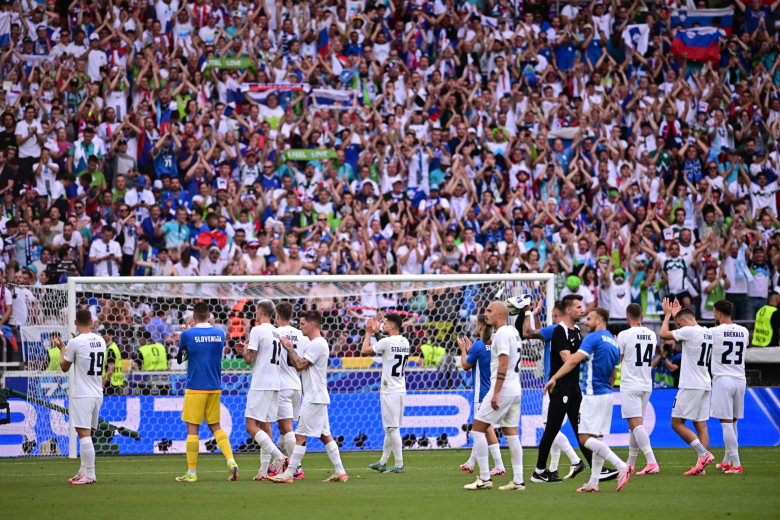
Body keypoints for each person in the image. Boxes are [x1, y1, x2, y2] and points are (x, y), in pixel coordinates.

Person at [544, 308, 631, 493]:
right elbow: (613, 374)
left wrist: (554, 378)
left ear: (600, 320)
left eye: (590, 318)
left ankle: (621, 465)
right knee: (597, 438)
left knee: (584, 439)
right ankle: (593, 482)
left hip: (593, 394)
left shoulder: (592, 337)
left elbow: (573, 360)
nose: (585, 321)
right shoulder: (614, 343)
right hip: (608, 395)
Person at [270, 310, 348, 483]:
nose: (300, 326)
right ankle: (340, 472)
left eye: (303, 323)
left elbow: (299, 365)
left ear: (312, 324)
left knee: (300, 436)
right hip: (317, 396)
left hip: (313, 397)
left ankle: (289, 474)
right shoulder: (315, 343)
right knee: (324, 435)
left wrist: (289, 348)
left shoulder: (317, 344)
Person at [463, 301, 524, 491]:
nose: (485, 314)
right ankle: (518, 480)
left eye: (489, 311)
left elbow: (503, 364)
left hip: (503, 389)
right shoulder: (513, 332)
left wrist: (496, 393)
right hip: (516, 389)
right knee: (511, 434)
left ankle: (483, 478)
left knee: (477, 430)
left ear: (499, 315)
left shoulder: (501, 334)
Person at [521, 298, 584, 481]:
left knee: (549, 427)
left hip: (555, 384)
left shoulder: (557, 330)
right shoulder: (562, 332)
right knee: (553, 426)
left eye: (551, 314)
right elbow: (542, 335)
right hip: (569, 385)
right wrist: (537, 317)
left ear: (556, 314)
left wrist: (527, 313)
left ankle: (574, 460)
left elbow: (527, 333)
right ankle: (553, 468)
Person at [174, 302, 238, 482]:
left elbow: (180, 359)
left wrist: (186, 333)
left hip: (195, 386)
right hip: (215, 386)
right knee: (216, 426)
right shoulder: (220, 333)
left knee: (192, 429)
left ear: (193, 316)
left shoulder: (188, 334)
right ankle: (231, 460)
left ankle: (192, 473)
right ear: (209, 316)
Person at [660, 298, 715, 476]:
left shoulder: (689, 331)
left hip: (691, 384)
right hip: (706, 383)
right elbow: (683, 332)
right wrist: (677, 316)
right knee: (701, 425)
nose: (678, 327)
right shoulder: (707, 332)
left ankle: (704, 454)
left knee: (676, 423)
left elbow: (664, 334)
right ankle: (701, 468)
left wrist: (668, 315)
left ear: (684, 322)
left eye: (678, 323)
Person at [235, 299, 288, 481]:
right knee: (266, 425)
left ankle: (280, 457)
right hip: (275, 383)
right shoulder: (276, 331)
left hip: (261, 382)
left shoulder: (257, 330)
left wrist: (243, 351)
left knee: (251, 426)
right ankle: (264, 471)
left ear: (258, 311)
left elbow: (249, 359)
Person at [54, 308, 106, 485]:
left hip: (82, 394)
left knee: (84, 434)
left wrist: (63, 348)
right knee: (84, 432)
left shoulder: (75, 343)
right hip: (97, 393)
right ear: (92, 321)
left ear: (75, 322)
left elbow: (64, 367)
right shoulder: (100, 340)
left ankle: (90, 475)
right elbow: (87, 354)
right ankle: (82, 471)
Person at [457, 314, 506, 476]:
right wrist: (471, 350)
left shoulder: (478, 346)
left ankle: (499, 465)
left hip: (481, 395)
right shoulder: (497, 344)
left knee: (484, 430)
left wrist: (464, 350)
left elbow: (465, 366)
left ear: (479, 327)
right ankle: (471, 463)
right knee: (482, 429)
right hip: (496, 391)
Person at [362, 312, 411, 474]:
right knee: (390, 429)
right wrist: (377, 333)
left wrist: (369, 332)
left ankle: (399, 465)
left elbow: (364, 351)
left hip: (389, 390)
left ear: (391, 326)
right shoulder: (405, 341)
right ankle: (383, 462)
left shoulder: (387, 342)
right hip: (401, 389)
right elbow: (386, 347)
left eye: (384, 323)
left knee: (392, 428)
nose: (382, 325)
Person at [616, 303, 659, 475]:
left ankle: (652, 462)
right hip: (646, 383)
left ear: (627, 317)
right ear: (641, 316)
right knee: (634, 425)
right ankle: (631, 463)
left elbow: (617, 360)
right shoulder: (651, 334)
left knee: (635, 424)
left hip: (630, 384)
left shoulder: (624, 335)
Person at [710, 300, 748, 475]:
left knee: (726, 424)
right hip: (740, 379)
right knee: (733, 423)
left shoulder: (714, 332)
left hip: (723, 380)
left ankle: (737, 464)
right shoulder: (744, 331)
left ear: (718, 313)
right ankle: (727, 461)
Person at [273, 301, 306, 480]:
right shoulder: (301, 334)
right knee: (283, 428)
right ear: (292, 316)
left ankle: (296, 466)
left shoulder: (275, 333)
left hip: (282, 386)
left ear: (277, 316)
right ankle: (278, 462)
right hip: (296, 385)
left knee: (286, 428)